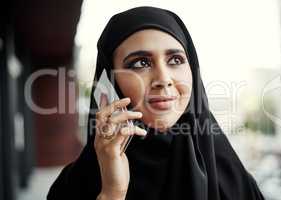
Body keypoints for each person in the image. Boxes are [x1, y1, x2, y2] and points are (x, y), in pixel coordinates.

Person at [47, 6, 265, 200]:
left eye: (175, 60)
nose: (163, 79)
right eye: (141, 63)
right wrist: (112, 192)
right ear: (110, 83)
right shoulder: (72, 187)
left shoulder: (234, 180)